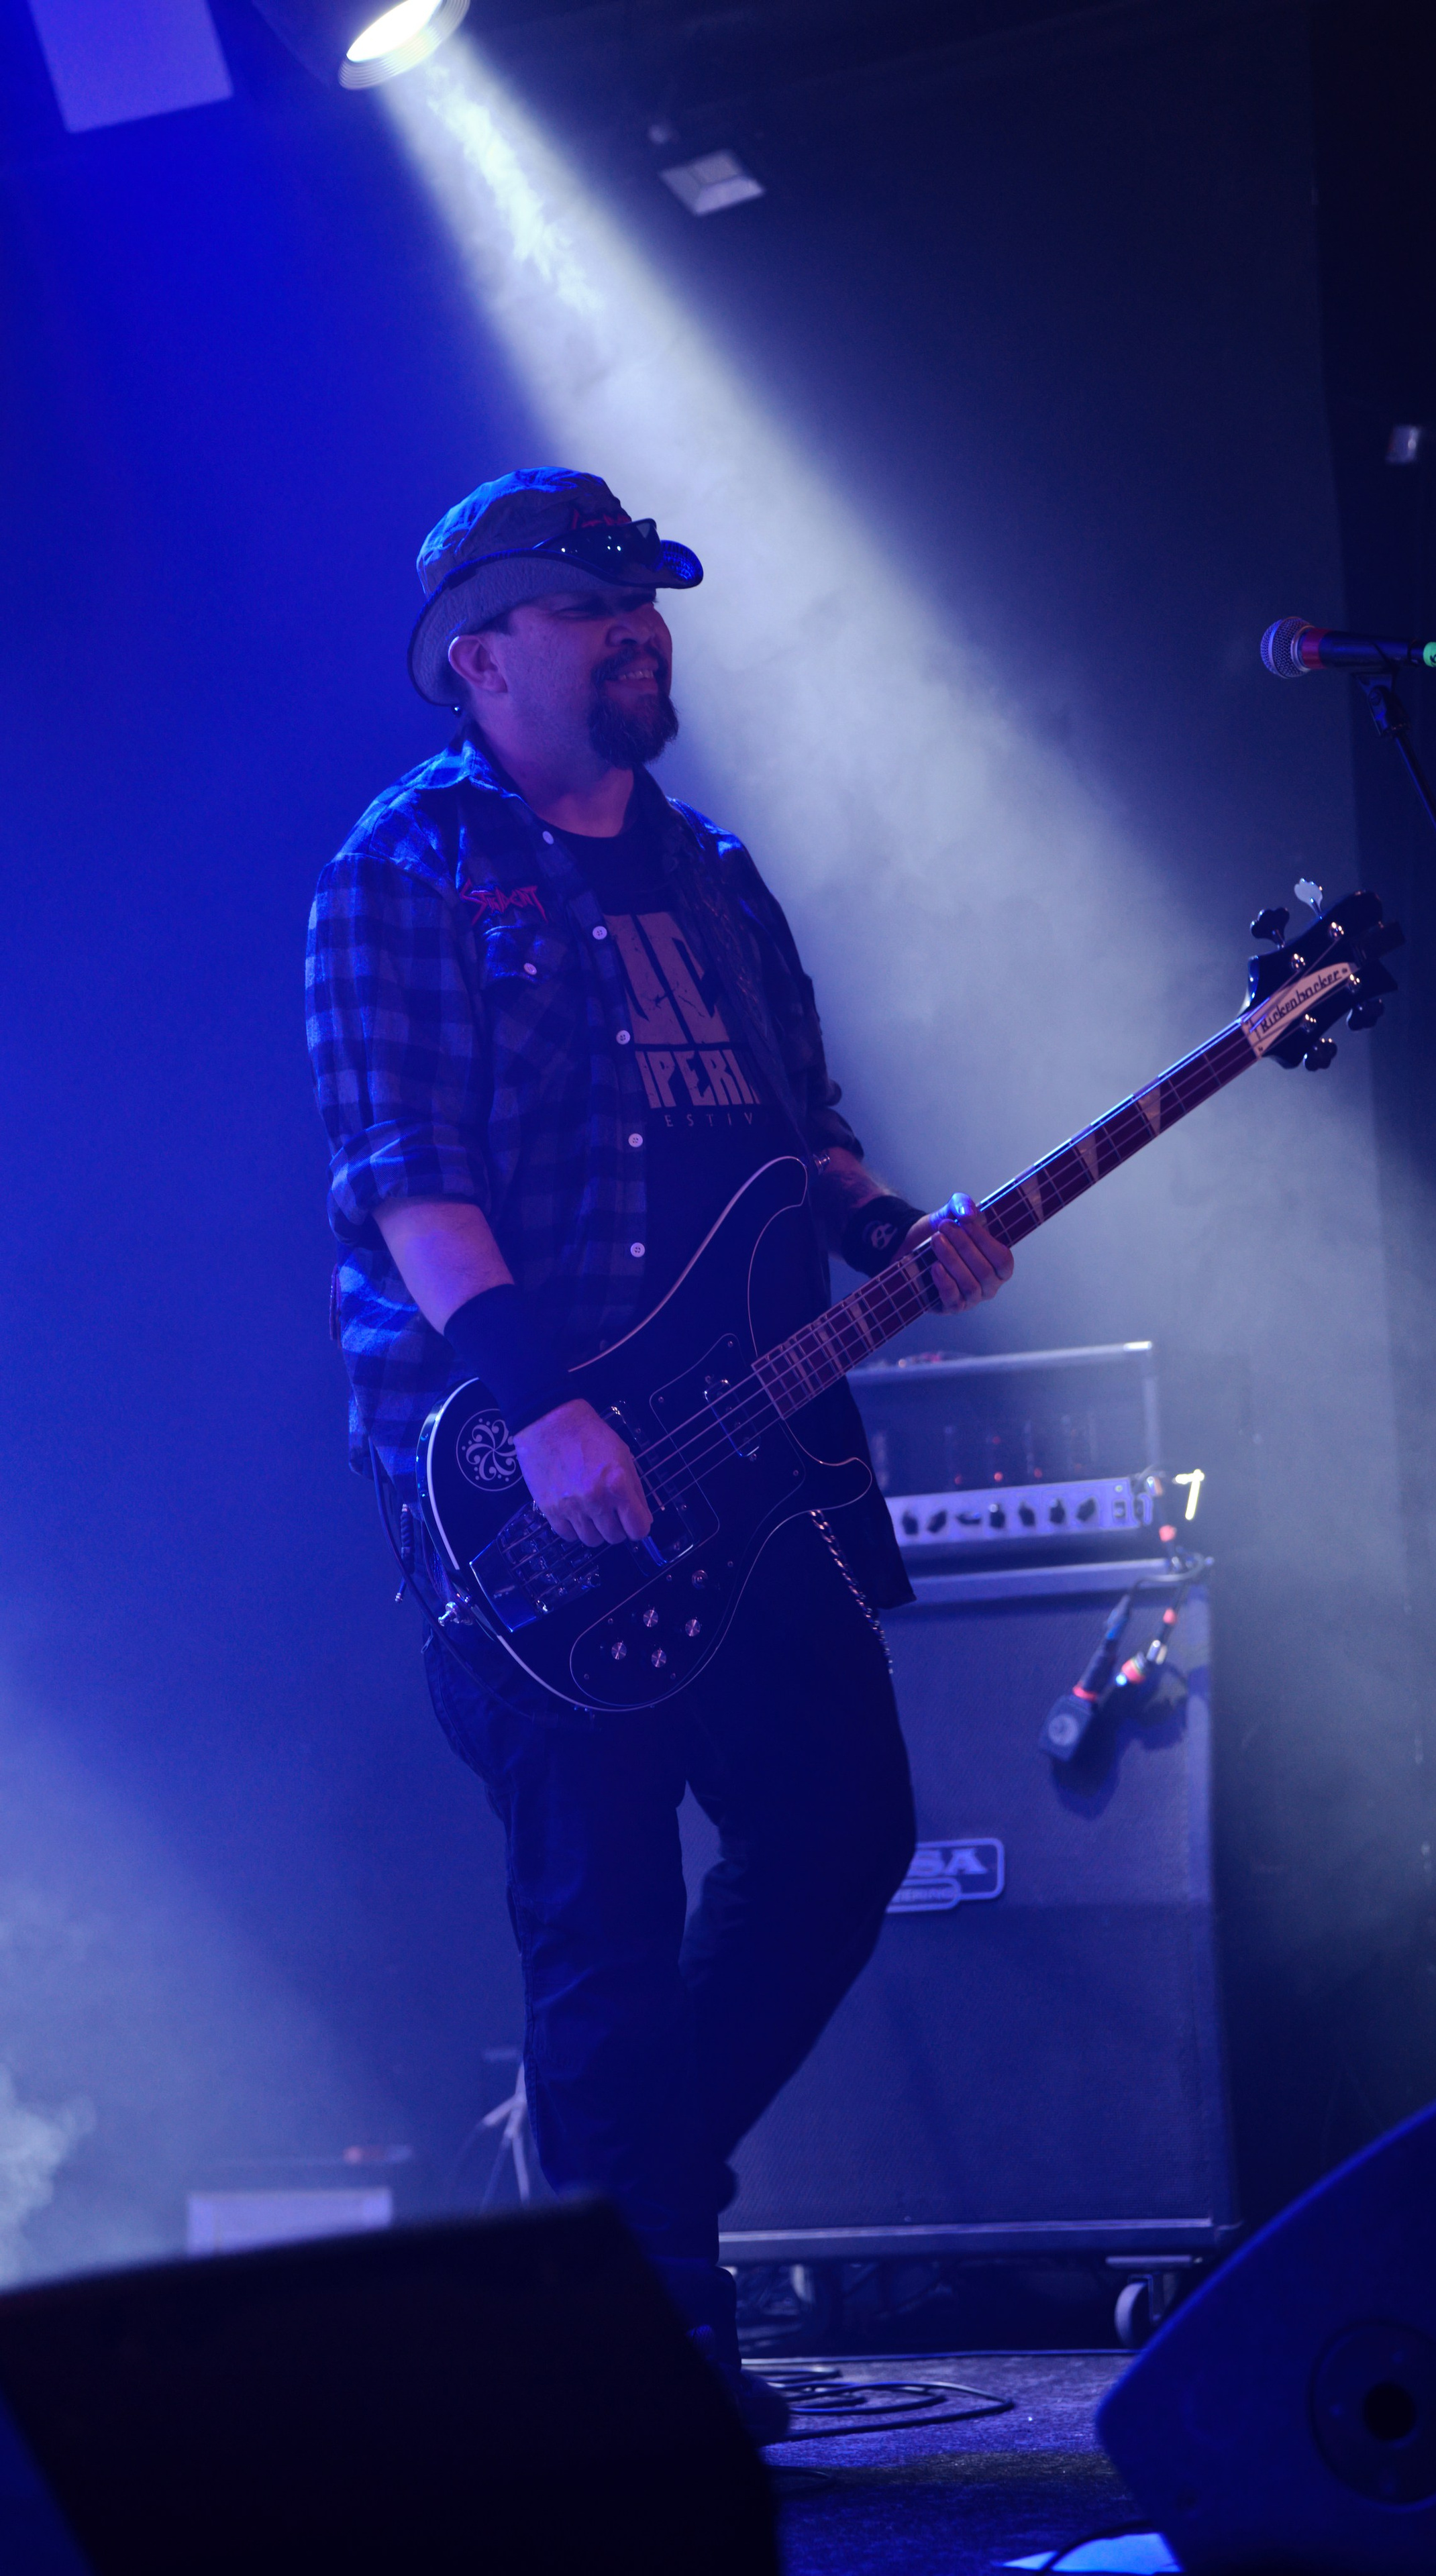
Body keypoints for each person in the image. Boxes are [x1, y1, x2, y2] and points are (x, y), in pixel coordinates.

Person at [305, 468, 1013, 2432]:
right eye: (590, 602)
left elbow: (809, 1128)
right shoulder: (405, 873)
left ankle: (617, 2216)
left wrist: (899, 1233)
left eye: (646, 598)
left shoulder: (714, 872)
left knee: (843, 1827)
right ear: (480, 654)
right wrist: (547, 1414)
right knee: (602, 1906)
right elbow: (409, 1187)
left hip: (760, 1447)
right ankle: (651, 2332)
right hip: (527, 1475)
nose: (640, 626)